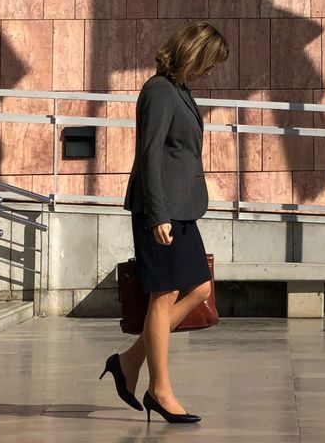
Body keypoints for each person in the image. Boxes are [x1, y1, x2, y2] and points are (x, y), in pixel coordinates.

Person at [100, 21, 229, 425]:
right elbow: (150, 154)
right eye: (208, 64)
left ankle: (129, 361)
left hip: (182, 209)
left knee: (199, 289)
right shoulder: (158, 91)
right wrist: (157, 214)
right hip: (162, 212)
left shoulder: (179, 90)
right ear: (193, 54)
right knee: (164, 294)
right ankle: (160, 390)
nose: (209, 73)